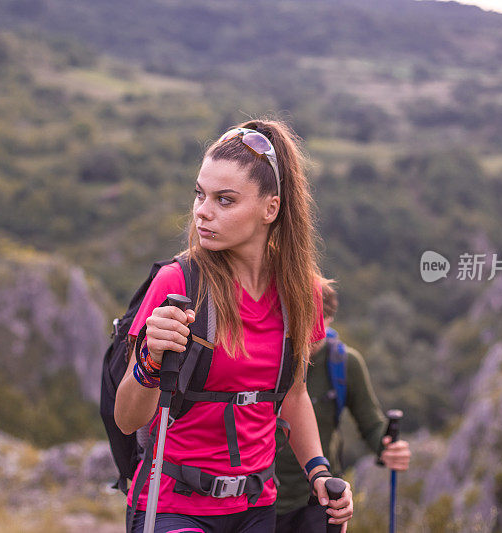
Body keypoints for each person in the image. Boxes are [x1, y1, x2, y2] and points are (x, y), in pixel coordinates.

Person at [114, 118, 354, 533]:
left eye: (224, 200)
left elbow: (293, 396)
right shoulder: (177, 283)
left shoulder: (302, 294)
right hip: (172, 504)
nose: (202, 212)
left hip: (256, 507)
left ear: (271, 208)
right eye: (200, 194)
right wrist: (149, 361)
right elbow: (127, 419)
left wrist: (319, 472)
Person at [274, 281, 411, 533]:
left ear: (329, 320)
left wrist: (388, 447)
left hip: (320, 496)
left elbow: (371, 425)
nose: (308, 338)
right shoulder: (269, 358)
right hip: (258, 499)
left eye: (316, 330)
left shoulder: (345, 364)